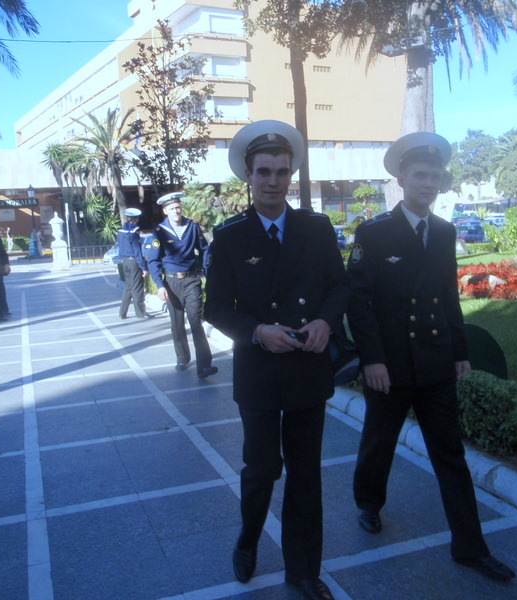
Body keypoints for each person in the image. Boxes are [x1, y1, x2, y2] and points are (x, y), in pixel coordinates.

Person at [346, 132, 516, 582]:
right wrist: (371, 359)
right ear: (401, 180)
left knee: (450, 454)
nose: (428, 184)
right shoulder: (374, 232)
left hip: (436, 360)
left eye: (435, 177)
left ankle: (471, 547)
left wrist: (460, 351)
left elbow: (447, 296)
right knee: (379, 440)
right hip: (390, 365)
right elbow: (358, 302)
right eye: (420, 176)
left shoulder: (443, 231)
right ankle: (368, 502)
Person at [204, 120, 350, 600]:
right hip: (259, 370)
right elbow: (215, 307)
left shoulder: (316, 228)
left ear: (291, 174)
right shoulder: (230, 237)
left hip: (308, 364)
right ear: (247, 175)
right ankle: (248, 539)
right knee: (261, 467)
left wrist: (326, 321)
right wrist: (257, 331)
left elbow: (339, 286)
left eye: (282, 172)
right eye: (263, 171)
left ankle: (303, 570)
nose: (273, 181)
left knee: (306, 473)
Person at [147, 191, 217, 379]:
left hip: (192, 280)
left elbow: (204, 249)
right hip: (171, 283)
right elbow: (153, 260)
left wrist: (205, 270)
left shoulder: (192, 226)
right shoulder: (160, 231)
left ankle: (204, 366)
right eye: (172, 208)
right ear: (165, 211)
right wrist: (160, 285)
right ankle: (182, 358)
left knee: (195, 321)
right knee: (177, 324)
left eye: (178, 207)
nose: (176, 211)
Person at [117, 207, 149, 319]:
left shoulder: (121, 232)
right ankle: (140, 313)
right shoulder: (134, 232)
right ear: (136, 219)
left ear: (127, 218)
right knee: (137, 287)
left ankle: (122, 312)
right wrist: (143, 267)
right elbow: (137, 251)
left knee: (128, 287)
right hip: (134, 262)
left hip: (125, 261)